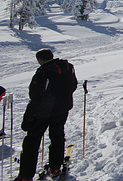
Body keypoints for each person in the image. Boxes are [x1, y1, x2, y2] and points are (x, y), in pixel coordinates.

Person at [15, 49, 77, 181]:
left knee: (31, 142)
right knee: (57, 136)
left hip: (43, 113)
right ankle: (55, 168)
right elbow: (73, 85)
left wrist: (28, 117)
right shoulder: (67, 67)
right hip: (61, 109)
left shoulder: (43, 72)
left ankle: (26, 176)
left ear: (40, 60)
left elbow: (35, 96)